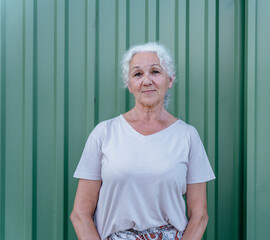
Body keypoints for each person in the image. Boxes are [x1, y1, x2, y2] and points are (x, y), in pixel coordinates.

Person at [70, 42, 215, 240]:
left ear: (170, 79)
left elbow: (200, 215)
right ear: (129, 85)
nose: (146, 81)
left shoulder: (187, 136)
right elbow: (80, 214)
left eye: (155, 71)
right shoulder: (104, 133)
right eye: (137, 74)